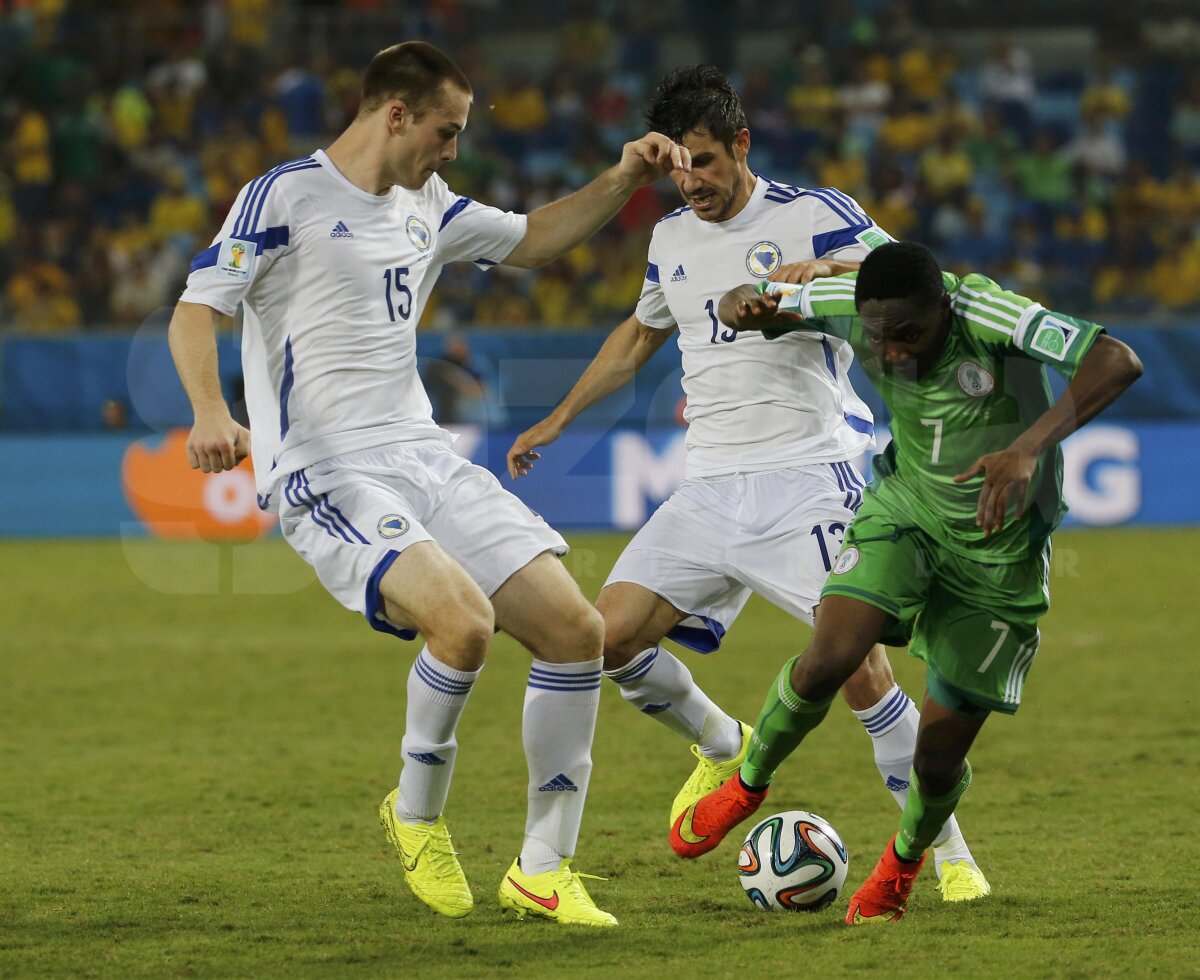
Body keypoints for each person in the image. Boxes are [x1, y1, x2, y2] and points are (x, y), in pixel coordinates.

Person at [167, 41, 690, 928]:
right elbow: (195, 311)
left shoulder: (432, 205)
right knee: (464, 623)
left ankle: (543, 868)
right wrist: (211, 412)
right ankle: (415, 816)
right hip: (325, 470)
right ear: (396, 114)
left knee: (575, 632)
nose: (453, 151)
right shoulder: (282, 196)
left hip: (424, 455)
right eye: (446, 131)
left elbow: (533, 240)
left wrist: (623, 177)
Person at [506, 66, 988, 901]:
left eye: (704, 160)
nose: (691, 181)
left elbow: (914, 282)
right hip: (708, 489)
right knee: (603, 639)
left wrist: (823, 272)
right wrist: (559, 417)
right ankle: (722, 741)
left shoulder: (814, 212)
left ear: (741, 146)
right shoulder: (670, 239)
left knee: (860, 671)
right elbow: (638, 336)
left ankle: (948, 858)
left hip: (810, 477)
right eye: (678, 167)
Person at [679, 241, 1142, 924]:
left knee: (935, 758)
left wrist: (1027, 447)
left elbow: (1118, 358)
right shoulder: (847, 304)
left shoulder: (989, 312)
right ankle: (747, 784)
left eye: (910, 335)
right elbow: (746, 306)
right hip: (906, 514)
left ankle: (902, 862)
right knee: (828, 660)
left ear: (944, 309)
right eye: (879, 338)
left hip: (998, 559)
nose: (892, 352)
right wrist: (738, 303)